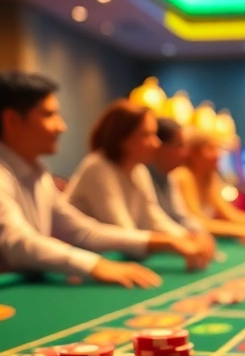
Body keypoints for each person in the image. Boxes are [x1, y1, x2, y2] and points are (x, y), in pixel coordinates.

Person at [0, 71, 163, 288]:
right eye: (49, 115)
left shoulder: (40, 174)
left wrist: (160, 240)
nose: (61, 126)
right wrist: (94, 265)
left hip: (30, 288)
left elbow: (84, 231)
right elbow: (18, 243)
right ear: (12, 121)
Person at [62, 101, 211, 270]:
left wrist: (188, 237)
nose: (156, 143)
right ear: (122, 139)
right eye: (146, 135)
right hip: (76, 264)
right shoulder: (97, 167)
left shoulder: (138, 169)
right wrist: (172, 242)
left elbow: (153, 217)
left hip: (106, 261)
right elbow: (123, 230)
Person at [148, 117, 214, 246]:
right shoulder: (181, 175)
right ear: (160, 147)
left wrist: (199, 233)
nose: (185, 153)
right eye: (180, 146)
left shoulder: (169, 176)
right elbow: (154, 220)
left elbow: (181, 216)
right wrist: (189, 237)